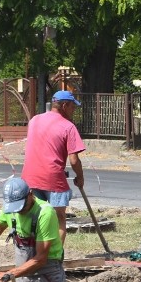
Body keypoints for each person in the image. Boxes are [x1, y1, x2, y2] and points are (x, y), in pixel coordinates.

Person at [21, 90, 85, 243]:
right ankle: (55, 258)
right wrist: (80, 177)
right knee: (59, 219)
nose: (73, 110)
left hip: (30, 177)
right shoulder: (68, 126)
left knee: (35, 217)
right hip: (53, 178)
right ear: (64, 105)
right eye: (72, 107)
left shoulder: (34, 120)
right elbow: (74, 159)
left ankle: (35, 254)